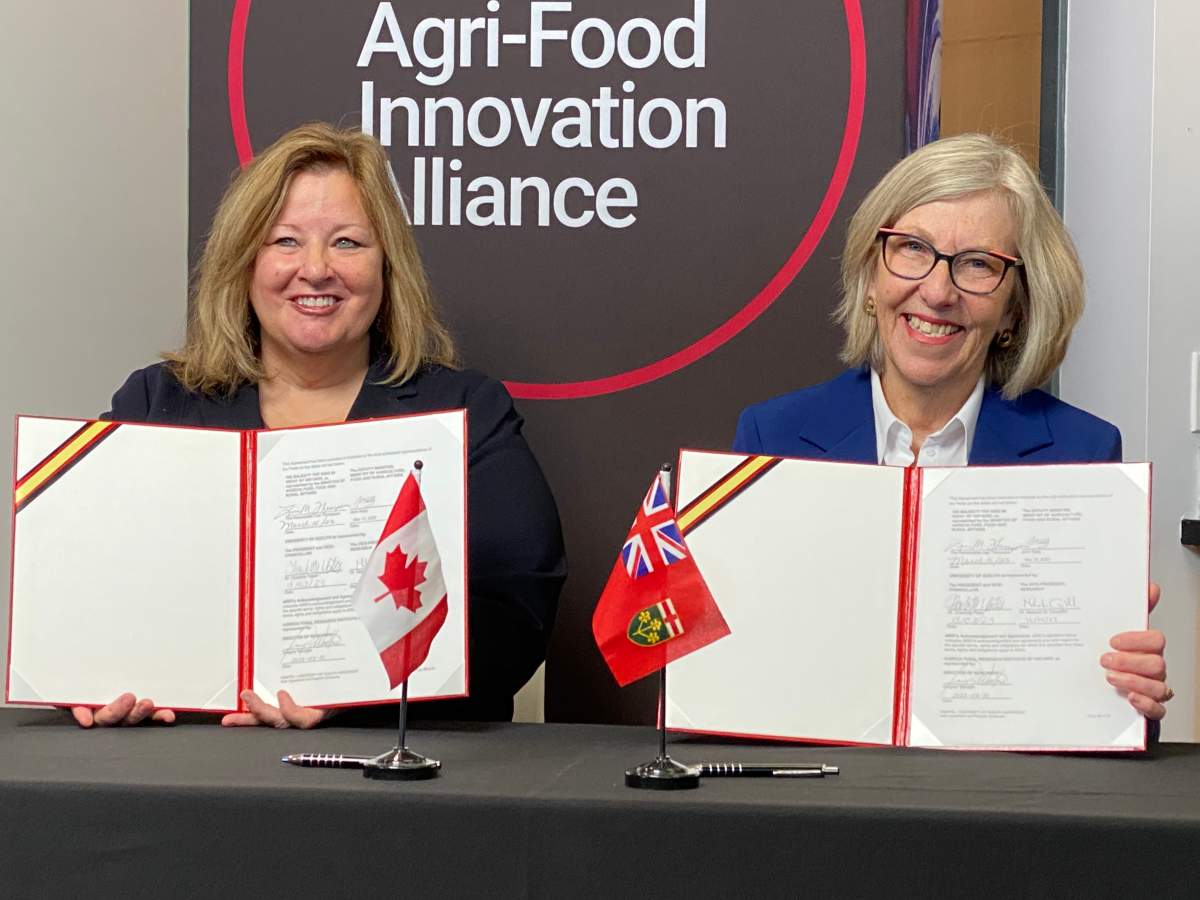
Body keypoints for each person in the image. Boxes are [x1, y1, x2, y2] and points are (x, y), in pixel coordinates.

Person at [72, 122, 565, 728]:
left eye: (348, 243)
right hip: (188, 767)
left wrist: (353, 699)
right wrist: (86, 673)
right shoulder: (157, 405)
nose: (316, 269)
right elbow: (83, 586)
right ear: (243, 262)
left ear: (388, 266)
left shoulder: (465, 415)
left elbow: (516, 611)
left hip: (395, 777)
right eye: (284, 241)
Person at [734, 134, 1171, 725]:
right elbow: (740, 666)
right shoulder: (772, 437)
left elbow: (1081, 716)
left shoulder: (1082, 454)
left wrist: (1120, 694)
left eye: (978, 265)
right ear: (870, 274)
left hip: (998, 802)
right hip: (820, 793)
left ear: (1016, 307)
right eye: (912, 248)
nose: (937, 292)